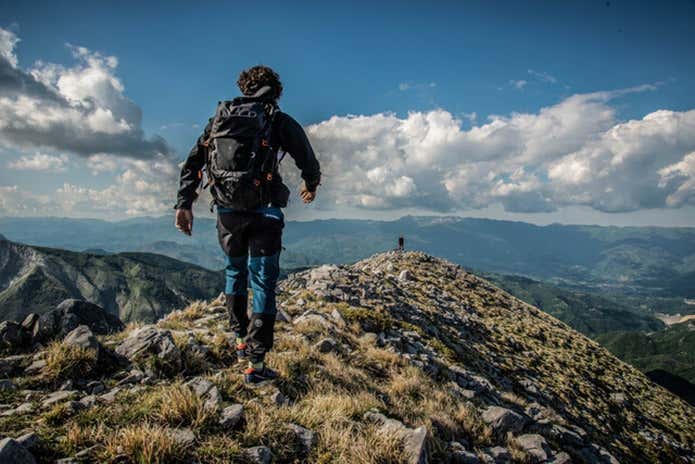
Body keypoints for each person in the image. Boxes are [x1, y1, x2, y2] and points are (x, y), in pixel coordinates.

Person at [174, 65, 321, 383]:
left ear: (243, 87)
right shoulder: (277, 120)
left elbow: (193, 162)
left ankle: (240, 340)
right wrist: (311, 183)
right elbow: (306, 157)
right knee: (263, 283)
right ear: (276, 91)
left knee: (234, 273)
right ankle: (255, 363)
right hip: (266, 213)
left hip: (227, 213)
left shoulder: (220, 119)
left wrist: (184, 204)